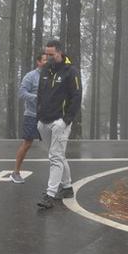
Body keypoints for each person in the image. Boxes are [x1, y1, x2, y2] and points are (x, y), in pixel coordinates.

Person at [36, 40, 81, 209]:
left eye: (51, 54)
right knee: (58, 155)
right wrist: (39, 117)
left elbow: (77, 97)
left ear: (60, 52)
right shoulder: (46, 70)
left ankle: (50, 194)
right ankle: (67, 187)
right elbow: (40, 93)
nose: (47, 57)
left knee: (55, 157)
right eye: (46, 54)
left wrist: (66, 120)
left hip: (60, 122)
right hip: (44, 121)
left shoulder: (71, 72)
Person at [11, 53, 47, 184]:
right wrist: (35, 97)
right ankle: (15, 172)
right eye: (44, 60)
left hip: (48, 116)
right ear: (38, 62)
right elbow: (22, 93)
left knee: (53, 146)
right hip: (32, 115)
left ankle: (57, 178)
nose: (47, 62)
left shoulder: (52, 76)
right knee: (27, 144)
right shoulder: (30, 76)